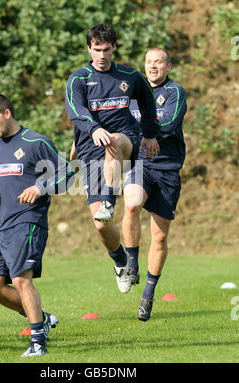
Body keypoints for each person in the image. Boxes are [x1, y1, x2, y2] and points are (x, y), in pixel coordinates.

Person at [66, 24, 160, 294]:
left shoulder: (130, 75)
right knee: (100, 225)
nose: (102, 55)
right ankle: (120, 261)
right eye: (97, 49)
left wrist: (150, 134)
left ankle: (109, 198)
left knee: (114, 140)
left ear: (114, 48)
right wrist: (91, 129)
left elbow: (147, 102)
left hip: (125, 139)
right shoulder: (79, 79)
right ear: (89, 49)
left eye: (107, 49)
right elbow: (75, 109)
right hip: (90, 148)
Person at [0, 94, 73, 357]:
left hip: (28, 222)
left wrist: (40, 187)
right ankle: (44, 319)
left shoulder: (36, 142)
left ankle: (38, 342)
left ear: (7, 113)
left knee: (20, 279)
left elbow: (68, 175)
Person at [123, 48, 187, 321]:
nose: (152, 66)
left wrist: (143, 131)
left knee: (159, 237)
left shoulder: (174, 92)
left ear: (168, 65)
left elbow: (170, 124)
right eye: (148, 61)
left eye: (158, 62)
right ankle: (132, 264)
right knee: (132, 204)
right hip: (142, 165)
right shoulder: (133, 92)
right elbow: (117, 120)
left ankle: (147, 295)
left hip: (168, 170)